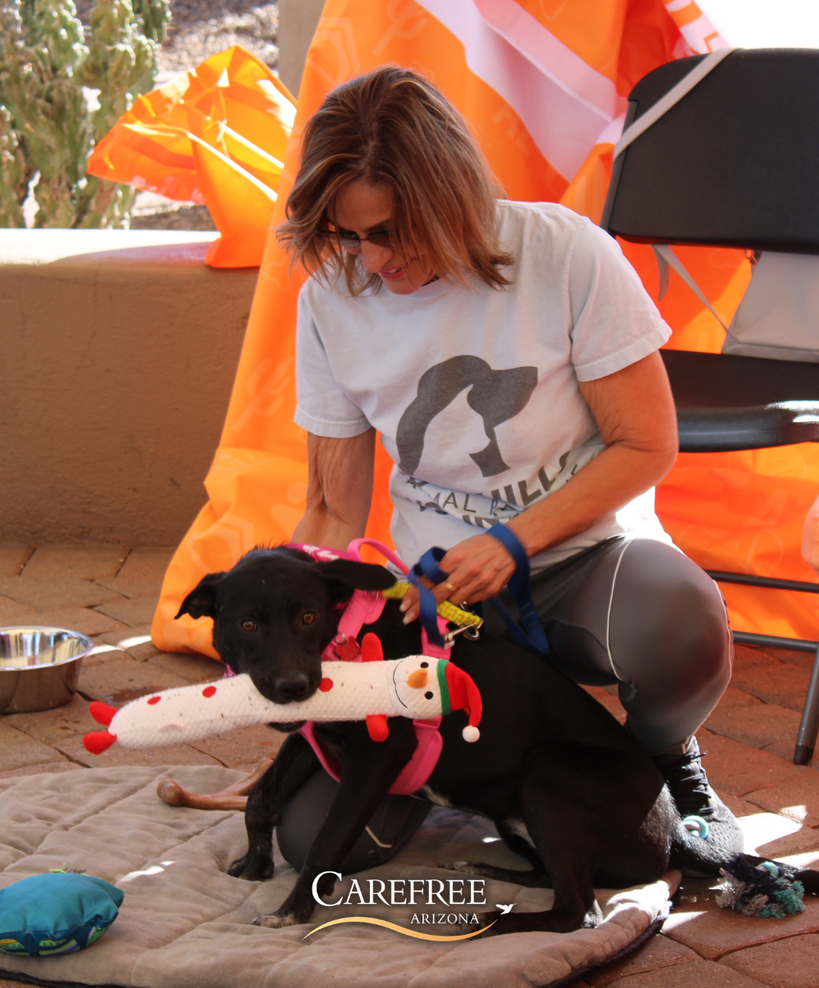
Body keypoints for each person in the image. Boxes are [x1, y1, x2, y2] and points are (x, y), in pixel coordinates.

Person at [274, 65, 741, 873]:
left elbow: (645, 442)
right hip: (437, 596)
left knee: (679, 627)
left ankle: (669, 767)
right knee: (311, 843)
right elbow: (329, 509)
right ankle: (463, 778)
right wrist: (283, 636)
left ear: (451, 198)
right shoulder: (329, 298)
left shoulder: (564, 252)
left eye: (390, 230)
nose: (373, 260)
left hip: (583, 561)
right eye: (350, 236)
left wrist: (511, 542)